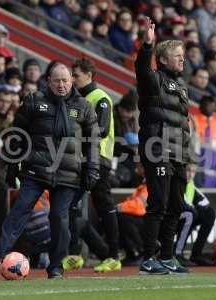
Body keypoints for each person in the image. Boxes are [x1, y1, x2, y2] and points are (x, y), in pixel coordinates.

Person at [0, 62, 100, 279]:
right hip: (36, 169)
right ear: (48, 81)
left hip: (69, 173)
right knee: (21, 208)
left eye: (65, 80)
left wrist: (92, 169)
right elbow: (17, 133)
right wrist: (12, 163)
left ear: (71, 80)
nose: (61, 85)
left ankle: (55, 266)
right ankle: (1, 255)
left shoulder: (84, 106)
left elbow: (92, 143)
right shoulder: (34, 101)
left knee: (59, 218)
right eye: (57, 81)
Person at [135, 17, 190, 274]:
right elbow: (142, 69)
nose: (182, 59)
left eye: (183, 55)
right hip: (157, 149)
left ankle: (167, 256)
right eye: (177, 55)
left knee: (176, 206)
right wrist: (147, 46)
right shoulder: (153, 79)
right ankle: (148, 258)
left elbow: (183, 124)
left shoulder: (181, 86)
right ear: (163, 59)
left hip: (178, 152)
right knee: (158, 203)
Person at [71, 57, 121, 273]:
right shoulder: (77, 100)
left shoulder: (100, 98)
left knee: (104, 206)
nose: (72, 80)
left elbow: (100, 130)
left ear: (89, 76)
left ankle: (113, 256)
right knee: (69, 204)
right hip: (80, 159)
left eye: (76, 75)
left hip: (98, 159)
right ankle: (76, 254)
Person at [175, 163, 216, 267]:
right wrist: (193, 208)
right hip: (170, 216)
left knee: (209, 213)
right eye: (188, 170)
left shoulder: (190, 185)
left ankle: (196, 254)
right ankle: (177, 253)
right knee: (190, 214)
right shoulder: (176, 183)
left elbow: (205, 201)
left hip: (183, 215)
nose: (190, 174)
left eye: (193, 172)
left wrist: (197, 208)